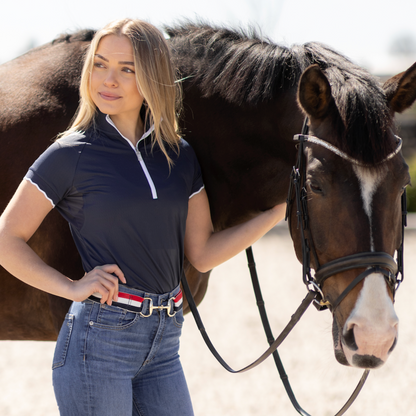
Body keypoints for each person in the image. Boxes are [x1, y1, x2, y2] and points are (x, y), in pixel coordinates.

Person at [0, 18, 285, 416]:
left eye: (126, 68)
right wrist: (70, 287)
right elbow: (6, 238)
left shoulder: (178, 155)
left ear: (153, 76)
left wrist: (274, 214)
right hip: (97, 345)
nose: (108, 79)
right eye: (99, 64)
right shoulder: (71, 153)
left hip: (165, 343)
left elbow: (201, 253)